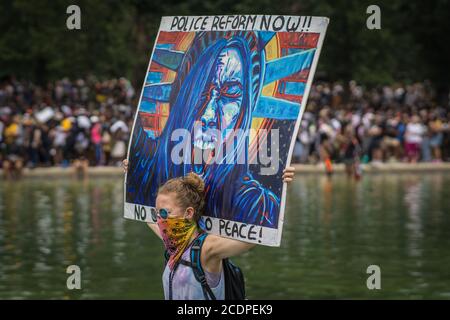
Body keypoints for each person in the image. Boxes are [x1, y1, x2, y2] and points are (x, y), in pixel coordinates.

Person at [123, 159, 295, 300]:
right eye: (156, 212)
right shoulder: (172, 243)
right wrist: (132, 172)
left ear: (188, 213)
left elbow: (256, 236)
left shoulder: (206, 249)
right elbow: (144, 215)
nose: (159, 219)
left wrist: (279, 186)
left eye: (164, 213)